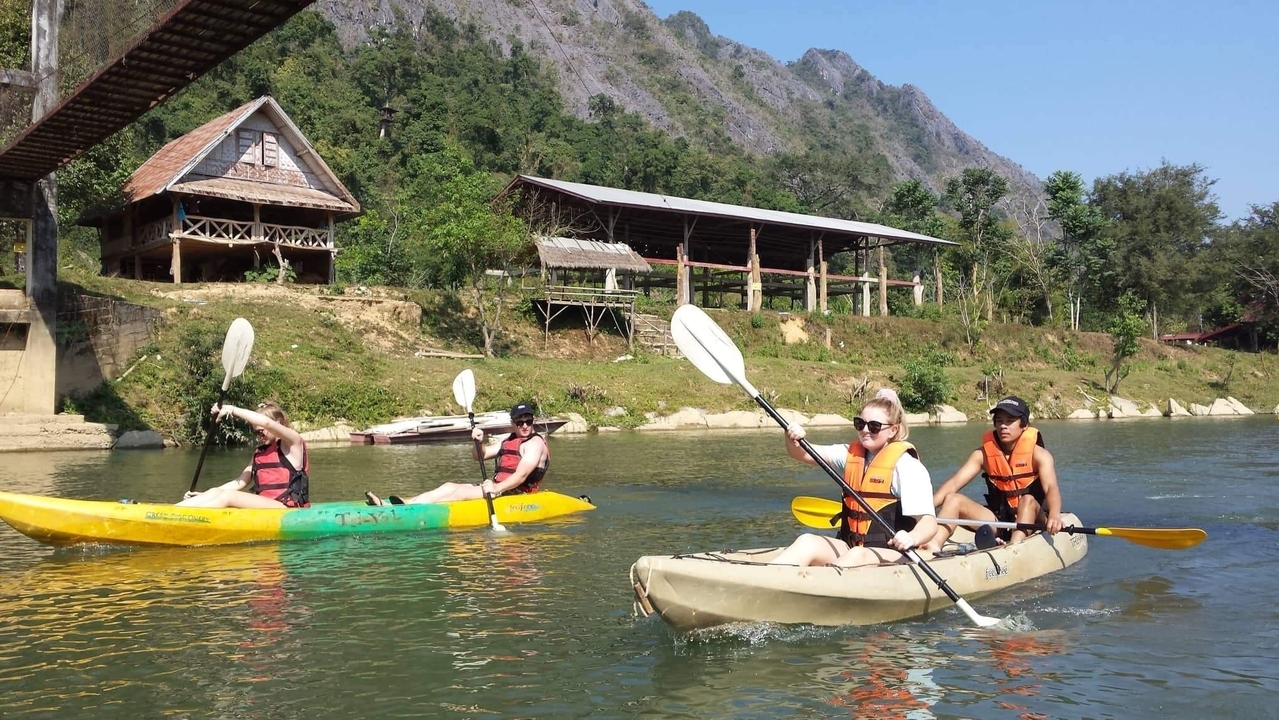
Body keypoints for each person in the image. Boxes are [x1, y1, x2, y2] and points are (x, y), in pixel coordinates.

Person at [771, 389, 937, 568]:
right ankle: (767, 581)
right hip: (852, 546)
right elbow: (801, 453)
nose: (865, 430)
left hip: (896, 554)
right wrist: (792, 437)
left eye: (874, 426)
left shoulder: (907, 467)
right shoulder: (849, 454)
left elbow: (928, 523)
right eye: (860, 423)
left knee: (858, 555)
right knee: (807, 541)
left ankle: (825, 586)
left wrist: (912, 537)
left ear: (892, 430)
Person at [922, 396, 1063, 553]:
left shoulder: (1040, 455)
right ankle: (933, 545)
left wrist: (1055, 515)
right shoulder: (982, 455)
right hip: (1000, 520)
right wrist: (924, 510)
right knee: (952, 498)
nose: (1003, 426)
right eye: (999, 420)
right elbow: (953, 484)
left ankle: (1012, 549)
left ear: (1024, 424)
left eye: (1010, 420)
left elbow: (1051, 488)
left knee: (1027, 500)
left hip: (1034, 518)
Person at [365, 402, 549, 506]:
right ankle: (402, 503)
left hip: (518, 495)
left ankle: (404, 507)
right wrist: (478, 442)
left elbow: (521, 475)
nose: (524, 425)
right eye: (520, 422)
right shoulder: (508, 440)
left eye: (528, 421)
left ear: (532, 421)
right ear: (513, 423)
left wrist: (495, 488)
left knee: (457, 491)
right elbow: (479, 456)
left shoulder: (535, 444)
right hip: (500, 490)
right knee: (449, 486)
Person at [178, 402, 310, 508]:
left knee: (229, 496)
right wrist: (204, 495)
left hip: (287, 508)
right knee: (216, 491)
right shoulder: (260, 453)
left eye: (261, 432)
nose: (259, 437)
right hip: (266, 508)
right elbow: (238, 483)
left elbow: (267, 423)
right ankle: (171, 512)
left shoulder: (293, 443)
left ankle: (187, 519)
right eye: (255, 432)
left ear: (278, 424)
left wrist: (231, 409)